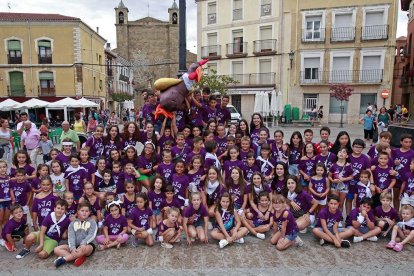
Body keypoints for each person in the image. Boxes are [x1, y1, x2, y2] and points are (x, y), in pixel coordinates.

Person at [53, 201, 98, 268]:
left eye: (86, 211)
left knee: (85, 249)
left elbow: (92, 235)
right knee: (56, 249)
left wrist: (84, 243)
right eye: (82, 210)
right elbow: (71, 236)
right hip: (75, 245)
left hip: (88, 245)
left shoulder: (92, 222)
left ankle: (64, 259)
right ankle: (76, 257)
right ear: (78, 211)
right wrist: (72, 248)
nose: (84, 212)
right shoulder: (72, 223)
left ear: (90, 212)